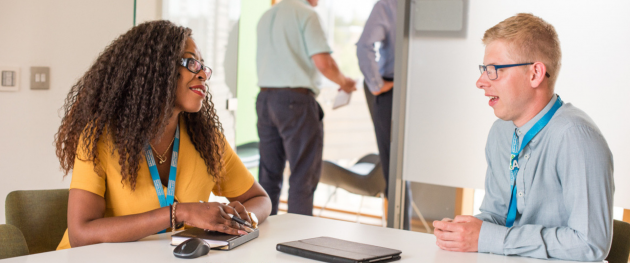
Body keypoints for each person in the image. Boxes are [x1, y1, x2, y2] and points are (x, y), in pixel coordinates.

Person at [54, 20, 272, 250]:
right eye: (191, 63)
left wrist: (246, 217)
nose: (203, 74)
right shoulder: (100, 137)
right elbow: (81, 234)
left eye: (203, 67)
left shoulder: (207, 140)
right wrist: (180, 212)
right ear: (156, 69)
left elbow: (261, 199)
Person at [432, 13, 614, 261]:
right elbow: (498, 215)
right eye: (484, 69)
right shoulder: (501, 132)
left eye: (494, 70)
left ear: (535, 74)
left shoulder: (576, 138)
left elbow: (589, 244)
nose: (480, 81)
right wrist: (466, 230)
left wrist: (488, 238)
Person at [256, 0, 356, 216]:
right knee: (303, 176)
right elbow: (324, 63)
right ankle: (296, 241)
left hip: (265, 100)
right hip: (296, 101)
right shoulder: (307, 14)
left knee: (268, 176)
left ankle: (261, 235)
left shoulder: (266, 16)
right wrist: (344, 82)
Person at [356, 0, 413, 230]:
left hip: (394, 92)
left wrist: (377, 84)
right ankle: (401, 232)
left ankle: (399, 235)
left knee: (396, 172)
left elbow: (363, 46)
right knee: (403, 171)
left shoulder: (390, 4)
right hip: (426, 90)